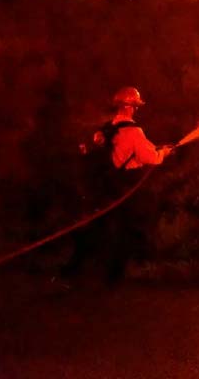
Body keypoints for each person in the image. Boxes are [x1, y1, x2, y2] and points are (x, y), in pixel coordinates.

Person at [62, 87, 173, 281]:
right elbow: (151, 157)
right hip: (124, 188)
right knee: (126, 229)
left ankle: (75, 267)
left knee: (97, 226)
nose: (137, 110)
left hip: (104, 185)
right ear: (130, 107)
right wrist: (164, 152)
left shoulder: (108, 129)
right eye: (136, 106)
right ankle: (114, 276)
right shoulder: (134, 131)